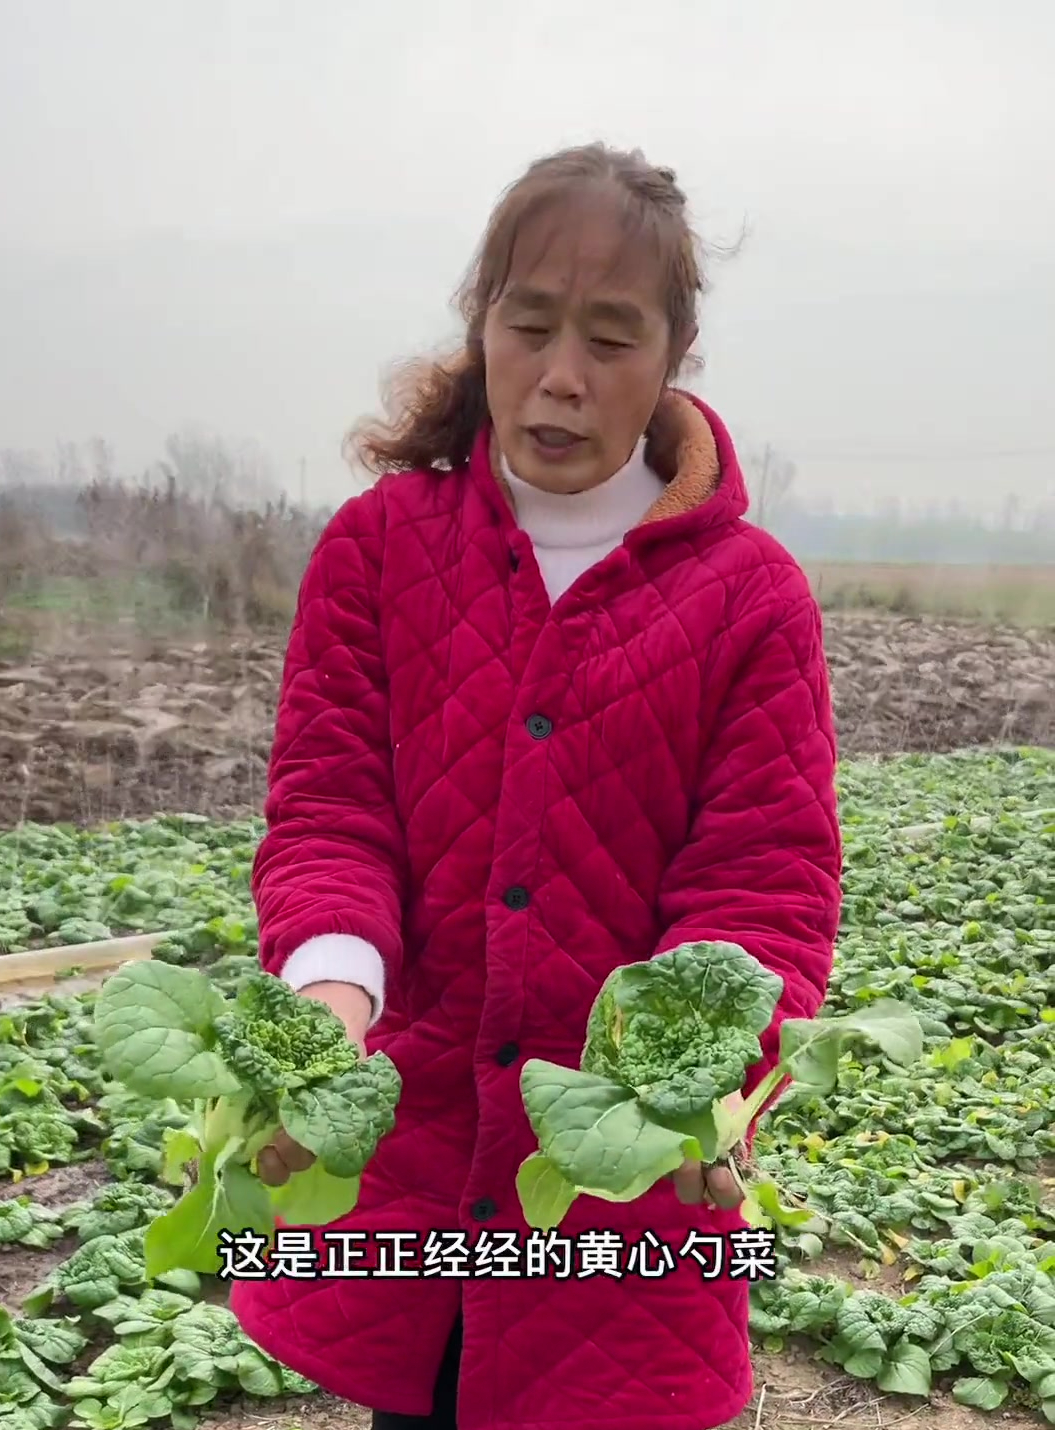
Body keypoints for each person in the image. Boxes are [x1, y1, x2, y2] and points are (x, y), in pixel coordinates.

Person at [228, 141, 843, 1430]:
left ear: (672, 358)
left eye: (612, 340)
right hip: (410, 1147)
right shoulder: (377, 551)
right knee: (417, 1401)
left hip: (616, 1175)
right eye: (530, 324)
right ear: (482, 325)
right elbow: (332, 813)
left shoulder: (749, 599)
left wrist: (698, 1081)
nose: (561, 378)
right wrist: (330, 1003)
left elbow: (763, 878)